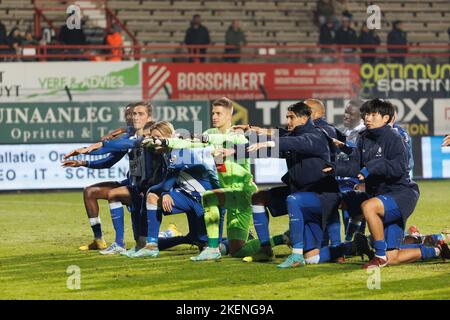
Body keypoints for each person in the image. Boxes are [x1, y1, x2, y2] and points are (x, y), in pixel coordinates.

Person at [335, 99, 429, 269]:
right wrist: (333, 168)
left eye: (372, 114)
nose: (367, 118)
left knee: (368, 206)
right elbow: (355, 165)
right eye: (366, 114)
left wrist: (372, 167)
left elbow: (400, 168)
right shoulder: (364, 137)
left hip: (401, 194)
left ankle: (377, 256)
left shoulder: (394, 137)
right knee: (393, 257)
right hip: (381, 196)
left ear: (386, 118)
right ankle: (436, 248)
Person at [244, 101, 340, 268]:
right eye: (287, 117)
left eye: (291, 117)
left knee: (294, 201)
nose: (288, 121)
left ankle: (345, 248)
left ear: (304, 118)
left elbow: (296, 143)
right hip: (300, 193)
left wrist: (271, 142)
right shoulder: (293, 135)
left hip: (320, 196)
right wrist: (232, 151)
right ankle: (265, 248)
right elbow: (269, 147)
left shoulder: (318, 134)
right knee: (259, 197)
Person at [62, 103, 138, 251]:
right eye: (127, 114)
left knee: (146, 238)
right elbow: (108, 161)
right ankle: (99, 240)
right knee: (90, 192)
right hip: (131, 182)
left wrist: (86, 150)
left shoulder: (144, 136)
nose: (130, 117)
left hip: (145, 186)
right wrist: (82, 162)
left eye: (134, 114)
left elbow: (108, 146)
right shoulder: (128, 135)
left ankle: (169, 233)